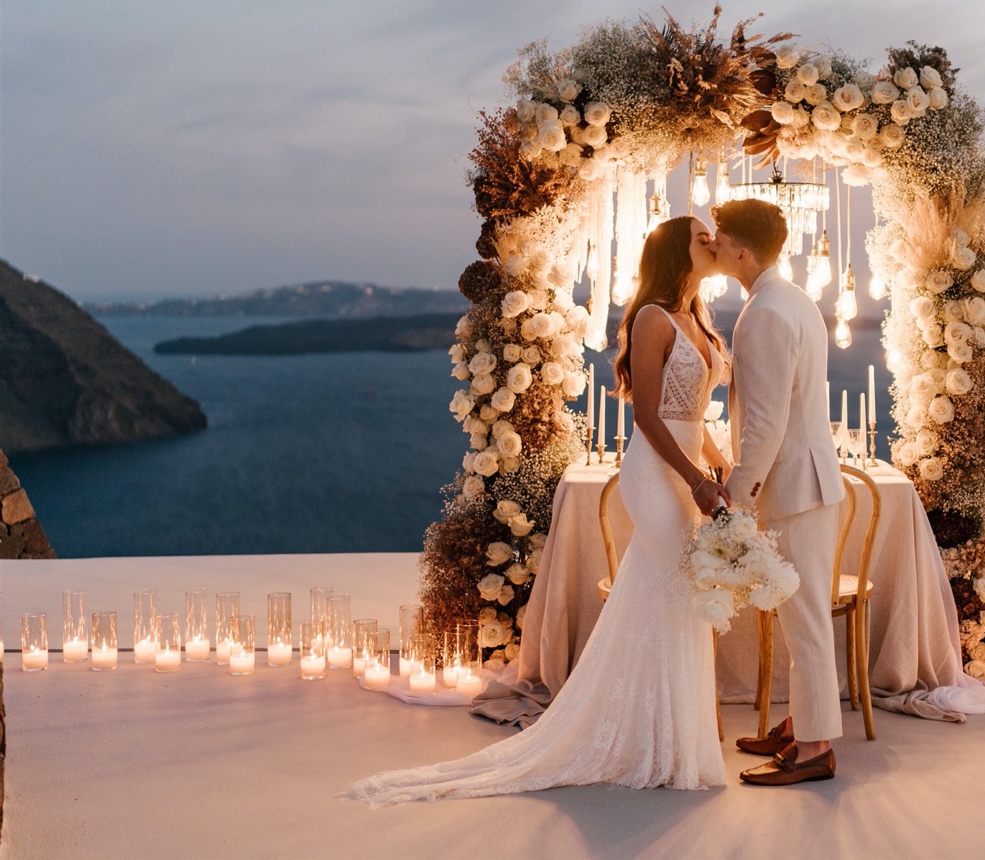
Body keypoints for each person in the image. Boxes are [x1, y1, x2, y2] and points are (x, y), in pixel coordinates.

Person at [343, 215, 731, 805]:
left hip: (689, 469)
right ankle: (648, 739)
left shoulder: (697, 318)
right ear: (677, 251)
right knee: (673, 587)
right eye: (701, 237)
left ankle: (669, 735)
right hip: (657, 476)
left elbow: (692, 413)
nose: (713, 243)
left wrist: (715, 462)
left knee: (677, 594)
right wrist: (694, 478)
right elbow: (649, 418)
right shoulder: (654, 319)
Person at [711, 199, 846, 786]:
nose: (713, 248)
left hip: (792, 486)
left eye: (718, 240)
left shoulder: (763, 312)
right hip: (810, 478)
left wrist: (735, 496)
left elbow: (763, 424)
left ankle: (815, 750)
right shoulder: (793, 299)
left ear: (742, 252)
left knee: (806, 619)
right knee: (803, 613)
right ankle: (800, 725)